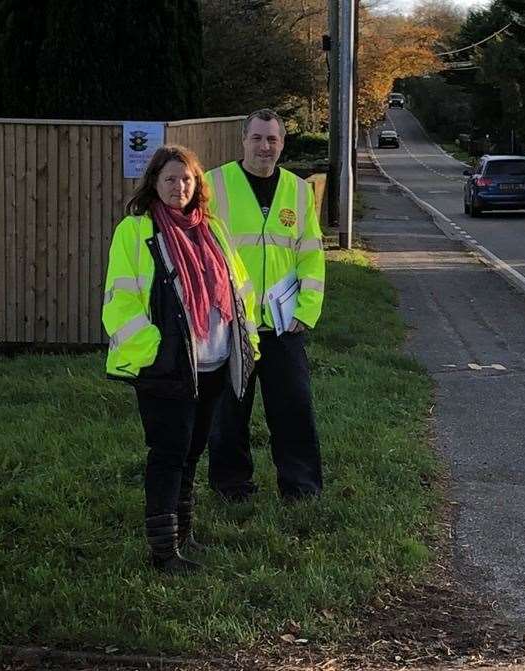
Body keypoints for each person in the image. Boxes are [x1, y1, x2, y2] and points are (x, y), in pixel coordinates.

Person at [102, 145, 260, 574]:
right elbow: (120, 303)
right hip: (166, 367)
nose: (179, 187)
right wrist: (154, 352)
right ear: (154, 181)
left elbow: (239, 291)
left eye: (187, 178)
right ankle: (163, 552)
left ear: (198, 184)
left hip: (212, 363)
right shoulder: (136, 231)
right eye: (170, 178)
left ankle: (183, 535)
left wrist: (245, 345)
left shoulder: (213, 229)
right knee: (168, 453)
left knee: (192, 453)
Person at [205, 108, 325, 501]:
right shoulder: (213, 185)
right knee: (228, 412)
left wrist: (306, 311)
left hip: (282, 324)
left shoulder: (298, 190)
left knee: (293, 408)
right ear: (243, 140)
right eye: (257, 138)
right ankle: (231, 488)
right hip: (231, 323)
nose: (264, 147)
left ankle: (301, 488)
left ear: (282, 144)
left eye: (272, 139)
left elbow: (311, 254)